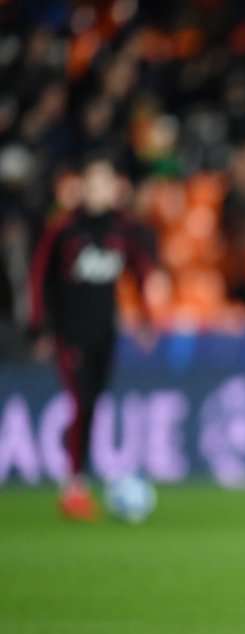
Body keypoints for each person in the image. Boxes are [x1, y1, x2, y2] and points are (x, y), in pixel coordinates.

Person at [28, 154, 155, 520]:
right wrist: (40, 328)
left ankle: (78, 480)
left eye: (105, 183)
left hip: (104, 332)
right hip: (70, 333)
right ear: (82, 187)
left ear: (115, 188)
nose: (99, 191)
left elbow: (140, 273)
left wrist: (145, 319)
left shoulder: (122, 230)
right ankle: (74, 487)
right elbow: (39, 278)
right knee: (81, 402)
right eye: (93, 183)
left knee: (93, 404)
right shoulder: (64, 229)